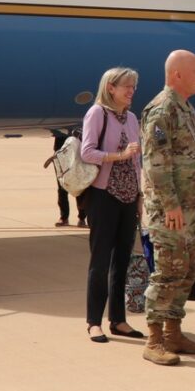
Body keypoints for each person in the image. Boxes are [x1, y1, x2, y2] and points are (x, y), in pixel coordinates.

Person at [139, 49, 195, 366]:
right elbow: (156, 164)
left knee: (189, 270)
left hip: (190, 208)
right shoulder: (162, 110)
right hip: (170, 211)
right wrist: (170, 205)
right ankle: (154, 340)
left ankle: (174, 333)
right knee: (167, 272)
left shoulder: (185, 108)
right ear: (177, 74)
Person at [79, 69, 143, 343]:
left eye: (134, 87)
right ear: (111, 88)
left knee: (123, 261)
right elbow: (87, 151)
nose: (131, 91)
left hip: (129, 196)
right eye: (126, 86)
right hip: (104, 196)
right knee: (100, 260)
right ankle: (94, 321)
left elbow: (138, 161)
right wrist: (119, 155)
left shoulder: (131, 118)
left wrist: (140, 196)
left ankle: (118, 320)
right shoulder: (97, 114)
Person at [45, 128, 87, 227]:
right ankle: (64, 217)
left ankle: (82, 217)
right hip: (61, 152)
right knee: (62, 185)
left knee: (80, 184)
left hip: (77, 150)